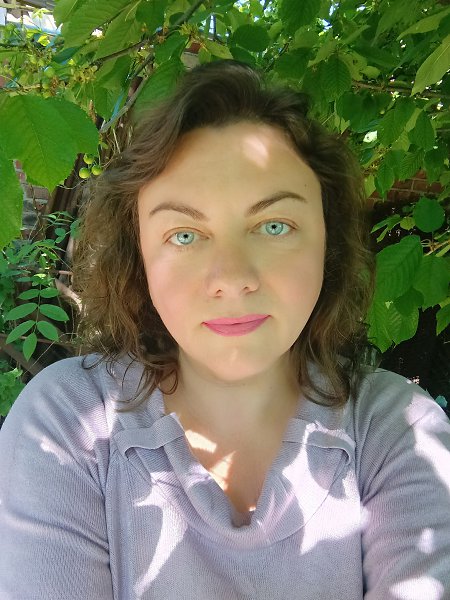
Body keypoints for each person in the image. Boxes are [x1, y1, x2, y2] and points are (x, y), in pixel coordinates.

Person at [0, 60, 449, 600]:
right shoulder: (69, 423)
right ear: (139, 257)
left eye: (274, 226)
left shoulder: (399, 431)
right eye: (185, 235)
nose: (232, 278)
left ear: (327, 244)